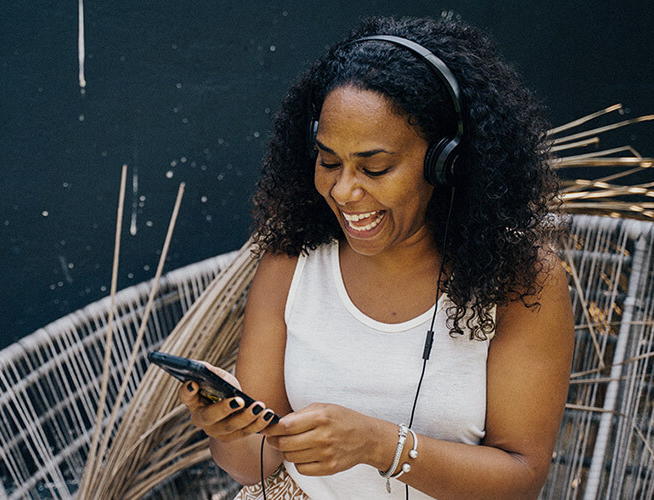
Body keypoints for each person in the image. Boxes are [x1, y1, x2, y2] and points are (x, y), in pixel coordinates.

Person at [178, 16, 574, 499]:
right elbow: (253, 468)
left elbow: (520, 481)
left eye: (376, 166)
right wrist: (230, 429)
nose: (343, 190)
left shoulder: (519, 280)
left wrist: (381, 446)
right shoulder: (291, 261)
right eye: (328, 161)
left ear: (445, 162)